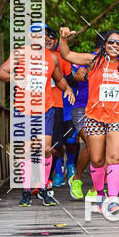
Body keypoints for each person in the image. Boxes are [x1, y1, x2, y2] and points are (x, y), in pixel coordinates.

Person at [58, 26, 119, 207]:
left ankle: (112, 198)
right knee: (96, 159)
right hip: (95, 118)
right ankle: (99, 194)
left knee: (114, 158)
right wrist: (63, 38)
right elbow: (67, 55)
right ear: (104, 44)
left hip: (118, 118)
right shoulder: (94, 60)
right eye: (111, 42)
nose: (115, 45)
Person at [0, 23, 76, 206]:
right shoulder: (20, 53)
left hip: (45, 108)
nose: (43, 37)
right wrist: (18, 78)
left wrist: (68, 89)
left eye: (46, 35)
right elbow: (0, 74)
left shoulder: (52, 57)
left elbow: (59, 78)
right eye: (38, 34)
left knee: (45, 149)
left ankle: (43, 187)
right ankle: (26, 190)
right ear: (30, 36)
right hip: (23, 108)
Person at [67, 30, 108, 200]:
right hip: (83, 108)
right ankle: (76, 179)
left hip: (105, 110)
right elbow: (77, 75)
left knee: (102, 147)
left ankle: (95, 189)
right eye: (112, 43)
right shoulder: (90, 58)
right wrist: (94, 75)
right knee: (92, 146)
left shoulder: (116, 62)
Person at [44, 27, 73, 187]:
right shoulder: (26, 56)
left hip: (56, 105)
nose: (47, 39)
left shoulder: (59, 58)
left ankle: (56, 174)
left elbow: (68, 79)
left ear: (55, 41)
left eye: (51, 37)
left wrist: (70, 88)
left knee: (54, 146)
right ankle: (37, 181)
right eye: (43, 36)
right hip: (31, 107)